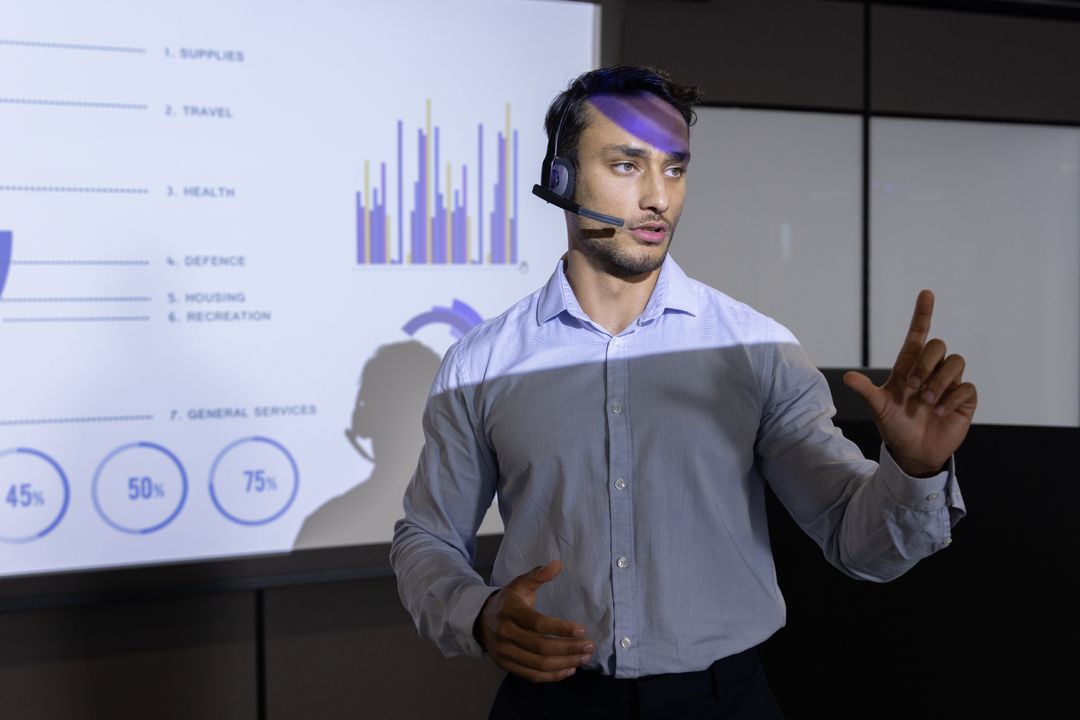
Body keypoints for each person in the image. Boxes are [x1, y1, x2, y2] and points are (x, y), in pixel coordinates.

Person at [390, 65, 976, 719]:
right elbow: (428, 537)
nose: (658, 198)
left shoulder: (758, 351)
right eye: (627, 165)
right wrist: (478, 614)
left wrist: (915, 471)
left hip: (724, 703)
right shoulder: (482, 362)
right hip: (552, 706)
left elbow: (856, 542)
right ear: (560, 179)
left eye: (674, 169)